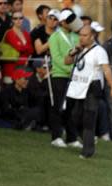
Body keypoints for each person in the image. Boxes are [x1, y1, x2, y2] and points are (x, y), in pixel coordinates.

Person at [65, 25, 112, 159]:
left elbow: (106, 69)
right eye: (80, 35)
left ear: (92, 36)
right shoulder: (78, 49)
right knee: (75, 116)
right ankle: (86, 138)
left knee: (89, 118)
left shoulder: (99, 51)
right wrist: (73, 52)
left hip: (92, 87)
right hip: (78, 87)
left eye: (85, 35)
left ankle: (87, 151)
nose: (81, 38)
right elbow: (66, 61)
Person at [48, 8, 81, 148]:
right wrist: (71, 69)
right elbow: (56, 59)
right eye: (69, 21)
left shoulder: (75, 36)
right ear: (62, 22)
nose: (72, 23)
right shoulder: (54, 37)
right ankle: (56, 137)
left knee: (71, 108)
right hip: (59, 76)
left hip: (73, 77)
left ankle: (71, 138)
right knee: (58, 107)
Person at [0, 10, 33, 84]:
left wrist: (24, 48)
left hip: (23, 69)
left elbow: (31, 50)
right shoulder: (9, 33)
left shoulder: (26, 33)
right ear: (12, 20)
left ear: (23, 19)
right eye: (15, 18)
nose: (18, 20)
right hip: (11, 69)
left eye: (20, 18)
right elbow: (19, 48)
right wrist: (26, 48)